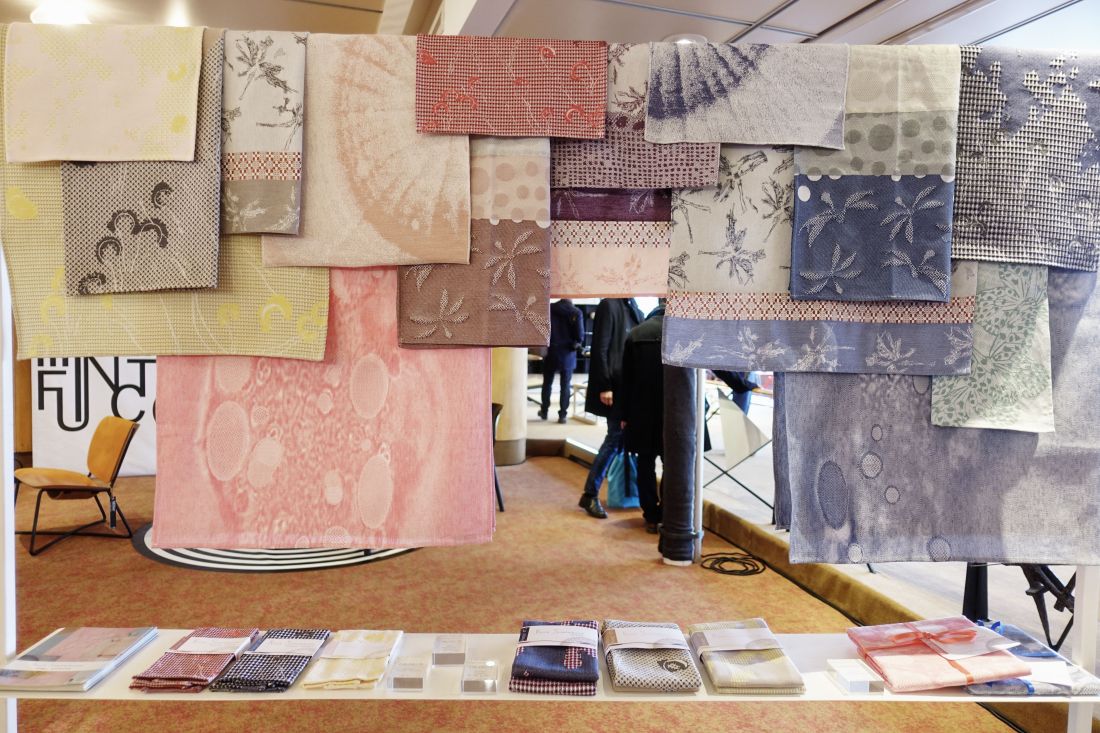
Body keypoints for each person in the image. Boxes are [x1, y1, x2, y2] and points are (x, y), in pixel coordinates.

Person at [578, 298, 643, 519]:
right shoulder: (610, 304)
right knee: (614, 439)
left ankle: (617, 491)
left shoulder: (632, 306)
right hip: (615, 387)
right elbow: (600, 348)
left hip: (628, 387)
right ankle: (590, 493)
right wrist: (604, 385)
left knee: (619, 440)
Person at [620, 304, 665, 533]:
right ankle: (668, 513)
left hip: (642, 412)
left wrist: (624, 415)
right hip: (673, 413)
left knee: (645, 463)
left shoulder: (636, 334)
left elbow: (625, 380)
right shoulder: (683, 331)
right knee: (674, 465)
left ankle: (650, 514)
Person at [540, 299, 584, 424]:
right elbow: (579, 336)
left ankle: (544, 411)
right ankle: (562, 415)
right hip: (568, 353)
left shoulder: (549, 309)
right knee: (565, 385)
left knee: (547, 383)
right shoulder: (576, 312)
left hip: (551, 351)